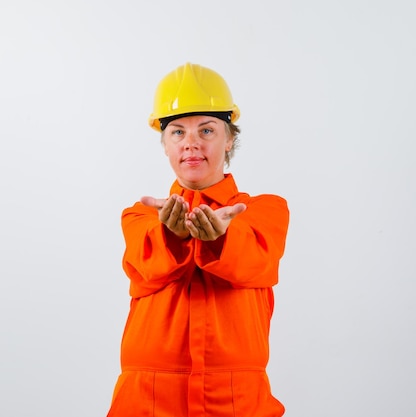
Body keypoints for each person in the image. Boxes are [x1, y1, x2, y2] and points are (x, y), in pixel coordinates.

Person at [106, 62, 290, 417]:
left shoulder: (264, 211)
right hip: (147, 400)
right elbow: (149, 265)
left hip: (237, 401)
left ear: (230, 138)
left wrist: (221, 239)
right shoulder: (140, 217)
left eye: (206, 131)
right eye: (177, 132)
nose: (191, 143)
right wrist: (171, 237)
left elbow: (254, 260)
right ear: (164, 144)